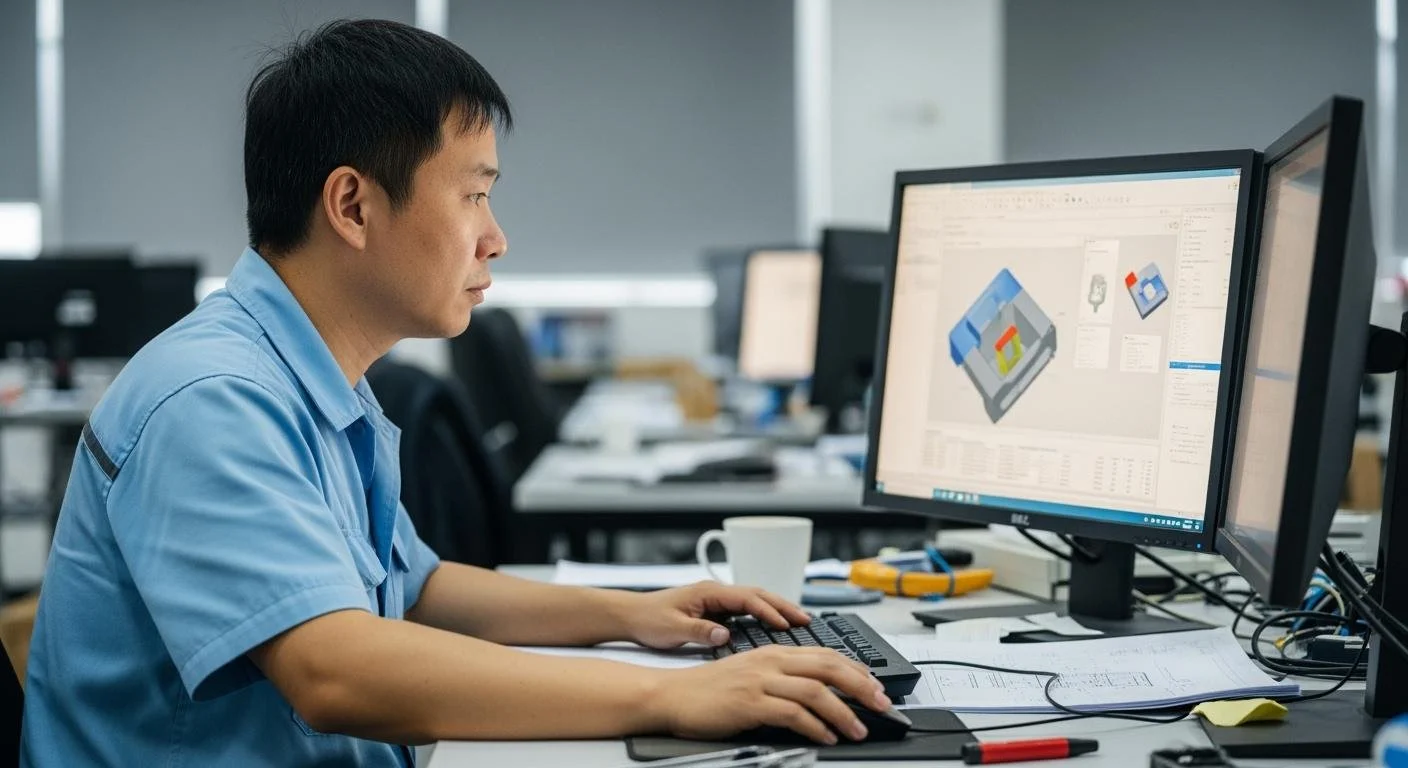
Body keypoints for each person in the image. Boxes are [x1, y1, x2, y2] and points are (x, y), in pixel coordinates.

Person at [19, 19, 888, 766]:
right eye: (473, 194)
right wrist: (664, 699)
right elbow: (337, 670)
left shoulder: (316, 383)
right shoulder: (211, 401)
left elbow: (419, 588)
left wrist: (634, 615)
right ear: (352, 207)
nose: (496, 238)